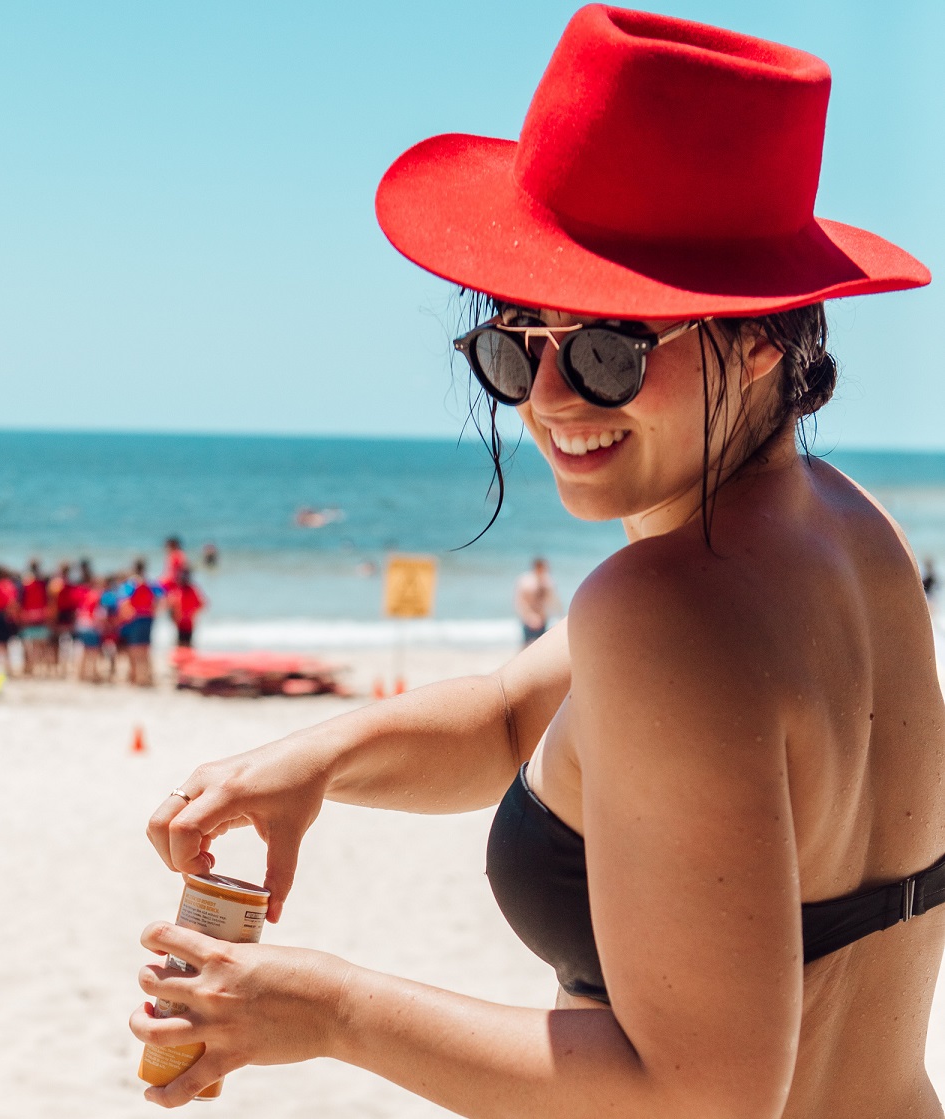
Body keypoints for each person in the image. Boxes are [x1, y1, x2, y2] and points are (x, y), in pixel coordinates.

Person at [133, 9, 945, 1117]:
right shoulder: (857, 536)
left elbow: (704, 1098)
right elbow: (521, 721)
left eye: (611, 349)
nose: (552, 397)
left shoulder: (669, 607)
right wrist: (321, 759)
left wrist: (327, 1011)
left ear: (762, 340)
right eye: (518, 339)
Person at [120, 558, 162, 686]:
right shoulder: (150, 582)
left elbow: (124, 601)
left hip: (136, 618)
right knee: (145, 648)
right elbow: (162, 598)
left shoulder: (132, 583)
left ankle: (137, 677)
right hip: (148, 617)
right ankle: (147, 676)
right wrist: (154, 611)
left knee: (134, 649)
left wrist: (126, 615)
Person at [514, 556, 561, 646]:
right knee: (526, 646)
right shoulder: (525, 581)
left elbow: (554, 600)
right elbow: (520, 601)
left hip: (543, 619)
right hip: (528, 620)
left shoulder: (548, 581)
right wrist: (529, 617)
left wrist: (560, 616)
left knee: (541, 645)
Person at [166, 566, 205, 650]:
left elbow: (202, 604)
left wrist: (192, 614)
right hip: (181, 623)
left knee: (185, 644)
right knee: (182, 644)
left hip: (186, 623)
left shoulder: (190, 590)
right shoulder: (185, 590)